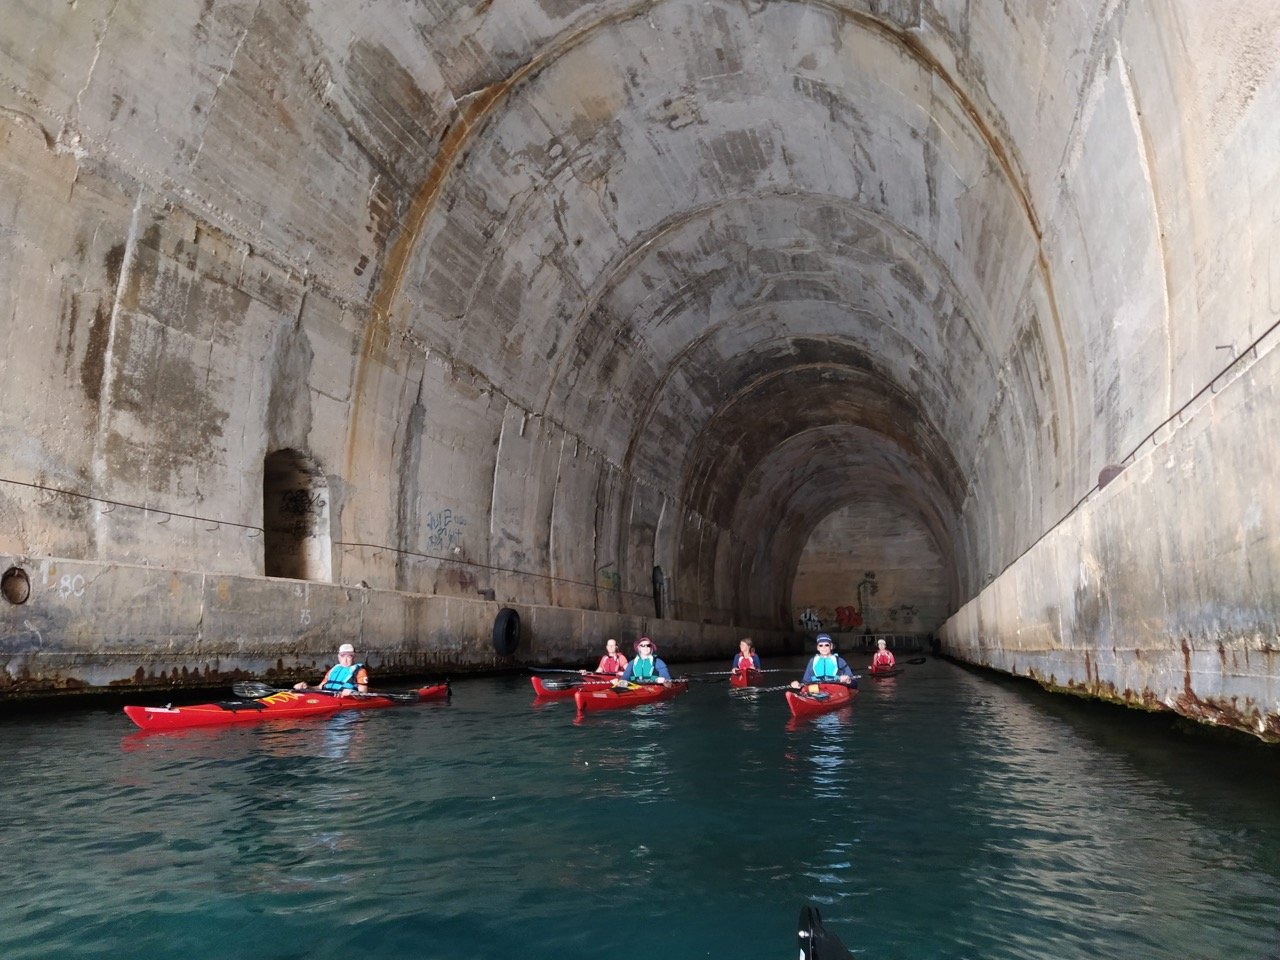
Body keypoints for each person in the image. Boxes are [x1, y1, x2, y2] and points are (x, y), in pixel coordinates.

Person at [294, 643, 369, 697]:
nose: (345, 660)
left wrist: (353, 693)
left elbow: (363, 694)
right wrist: (307, 687)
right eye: (343, 656)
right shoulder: (333, 670)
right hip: (326, 697)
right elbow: (320, 687)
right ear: (338, 656)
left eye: (349, 656)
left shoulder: (360, 671)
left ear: (354, 657)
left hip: (345, 702)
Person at [790, 634, 855, 688]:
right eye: (821, 645)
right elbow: (806, 681)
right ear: (818, 648)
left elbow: (854, 684)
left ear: (831, 646)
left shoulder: (840, 661)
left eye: (827, 645)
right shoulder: (812, 661)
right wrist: (799, 685)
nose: (824, 648)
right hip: (817, 689)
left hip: (836, 687)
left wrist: (848, 680)